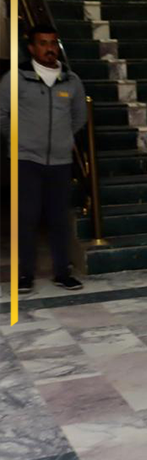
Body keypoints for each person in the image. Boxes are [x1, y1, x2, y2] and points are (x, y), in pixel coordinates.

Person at [1, 24, 87, 293]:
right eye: (43, 43)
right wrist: (19, 141)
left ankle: (62, 273)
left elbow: (79, 117)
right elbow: (2, 115)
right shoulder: (15, 78)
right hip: (25, 160)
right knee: (25, 218)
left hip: (60, 161)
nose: (49, 48)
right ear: (31, 47)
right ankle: (24, 275)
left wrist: (62, 139)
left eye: (53, 43)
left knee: (59, 218)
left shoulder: (71, 80)